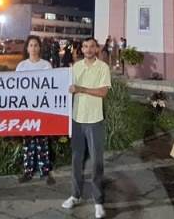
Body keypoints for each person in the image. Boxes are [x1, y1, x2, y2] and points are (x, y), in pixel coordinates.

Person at [62, 37, 111, 219]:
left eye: (92, 46)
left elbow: (103, 92)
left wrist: (81, 89)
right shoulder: (75, 67)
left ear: (97, 49)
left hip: (95, 120)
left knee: (97, 162)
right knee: (76, 160)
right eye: (85, 46)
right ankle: (75, 195)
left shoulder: (103, 68)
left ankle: (98, 201)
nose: (89, 49)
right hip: (76, 120)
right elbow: (66, 89)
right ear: (81, 49)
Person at [18, 36, 55, 184]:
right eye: (31, 45)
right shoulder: (21, 66)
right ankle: (28, 171)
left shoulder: (46, 65)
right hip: (26, 107)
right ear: (27, 48)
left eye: (36, 45)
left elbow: (52, 85)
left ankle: (45, 171)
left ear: (40, 48)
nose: (33, 48)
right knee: (28, 140)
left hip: (42, 108)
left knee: (42, 140)